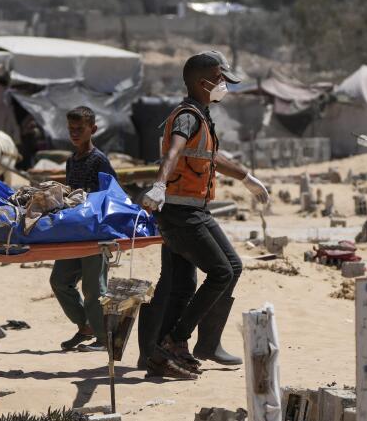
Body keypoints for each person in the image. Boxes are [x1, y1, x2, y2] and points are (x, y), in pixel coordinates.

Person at [137, 51, 269, 380]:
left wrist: (246, 178)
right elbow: (174, 151)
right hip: (182, 213)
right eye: (220, 79)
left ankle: (167, 353)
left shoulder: (201, 115)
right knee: (223, 272)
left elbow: (211, 156)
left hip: (190, 210)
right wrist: (158, 185)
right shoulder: (188, 117)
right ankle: (176, 342)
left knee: (184, 285)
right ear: (201, 82)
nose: (223, 85)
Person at [51, 106, 118, 351]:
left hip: (95, 232)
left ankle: (103, 338)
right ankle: (85, 326)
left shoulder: (99, 160)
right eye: (72, 129)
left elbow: (110, 193)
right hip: (74, 232)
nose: (75, 133)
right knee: (59, 281)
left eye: (80, 129)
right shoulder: (71, 161)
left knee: (94, 288)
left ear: (93, 129)